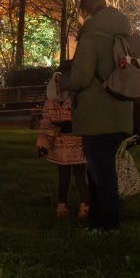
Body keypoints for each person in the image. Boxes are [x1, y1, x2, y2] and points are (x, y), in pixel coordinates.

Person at [57, 0, 133, 231]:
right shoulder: (122, 33)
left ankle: (107, 225)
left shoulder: (91, 36)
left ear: (84, 11)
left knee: (101, 173)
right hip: (121, 110)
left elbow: (81, 77)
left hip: (98, 114)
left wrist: (61, 82)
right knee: (101, 169)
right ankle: (96, 222)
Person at [36, 61, 89, 220]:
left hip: (77, 145)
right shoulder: (51, 98)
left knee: (80, 177)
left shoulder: (79, 97)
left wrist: (68, 126)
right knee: (63, 177)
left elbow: (84, 119)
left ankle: (85, 205)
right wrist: (43, 137)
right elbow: (46, 119)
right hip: (60, 146)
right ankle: (61, 205)